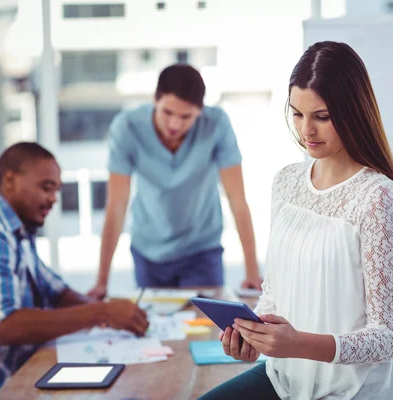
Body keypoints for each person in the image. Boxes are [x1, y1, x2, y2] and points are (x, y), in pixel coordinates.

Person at [200, 41, 393, 400]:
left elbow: (386, 339)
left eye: (322, 116)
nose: (306, 131)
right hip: (286, 376)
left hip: (352, 388)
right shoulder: (286, 182)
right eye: (297, 114)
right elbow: (275, 292)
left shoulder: (378, 197)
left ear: (353, 111)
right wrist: (254, 335)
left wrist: (297, 343)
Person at [0, 142, 149, 400]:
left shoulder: (18, 230)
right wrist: (101, 312)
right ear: (10, 180)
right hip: (2, 388)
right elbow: (5, 326)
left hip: (28, 372)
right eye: (46, 187)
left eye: (56, 190)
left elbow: (56, 291)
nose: (53, 199)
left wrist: (108, 314)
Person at [87, 64, 262, 300]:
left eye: (186, 116)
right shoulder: (127, 127)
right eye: (167, 112)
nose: (175, 125)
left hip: (202, 249)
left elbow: (237, 199)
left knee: (209, 328)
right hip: (149, 252)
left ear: (200, 111)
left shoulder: (216, 124)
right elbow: (117, 204)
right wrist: (101, 281)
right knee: (156, 329)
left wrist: (252, 272)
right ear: (155, 100)